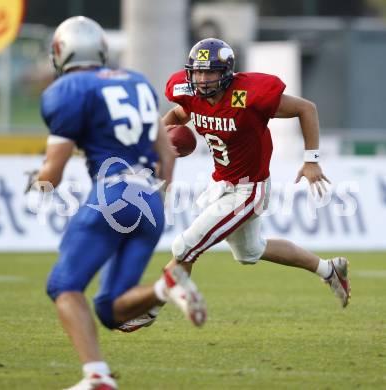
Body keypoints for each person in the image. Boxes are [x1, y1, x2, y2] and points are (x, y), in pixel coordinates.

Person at [122, 37, 351, 332]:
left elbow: (306, 108)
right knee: (250, 252)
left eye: (210, 72)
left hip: (249, 190)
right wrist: (162, 139)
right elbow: (180, 114)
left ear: (226, 72)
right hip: (223, 183)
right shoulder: (190, 93)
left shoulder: (249, 94)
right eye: (198, 72)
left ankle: (148, 309)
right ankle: (329, 269)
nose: (202, 79)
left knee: (185, 246)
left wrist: (311, 160)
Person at [27, 16, 206, 390]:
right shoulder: (137, 81)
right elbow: (167, 153)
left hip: (111, 194)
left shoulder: (68, 89)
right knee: (111, 308)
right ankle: (166, 287)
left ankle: (96, 376)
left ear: (60, 52)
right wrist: (160, 198)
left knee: (64, 286)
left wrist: (38, 185)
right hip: (149, 201)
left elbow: (53, 172)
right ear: (102, 50)